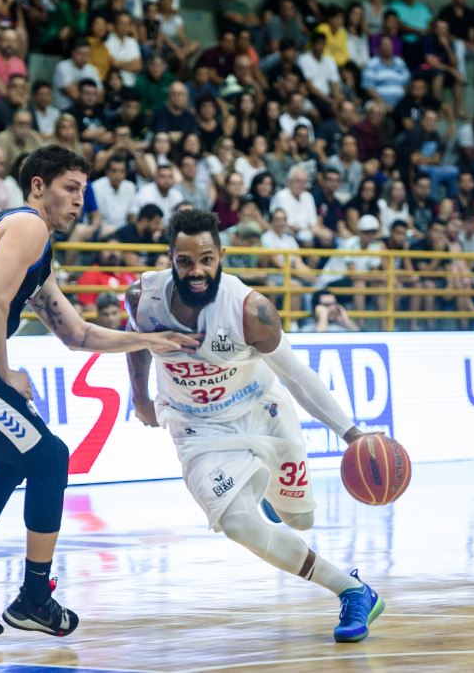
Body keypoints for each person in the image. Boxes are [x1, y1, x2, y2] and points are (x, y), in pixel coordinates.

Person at [0, 145, 196, 639]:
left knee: (22, 457)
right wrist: (7, 372)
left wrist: (148, 339)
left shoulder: (34, 250)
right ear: (38, 186)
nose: (80, 200)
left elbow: (76, 333)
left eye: (84, 190)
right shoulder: (27, 226)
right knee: (51, 458)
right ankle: (34, 597)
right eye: (70, 188)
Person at [125, 208, 384, 643]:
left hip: (261, 411)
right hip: (197, 429)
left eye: (206, 259)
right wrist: (140, 396)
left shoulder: (251, 310)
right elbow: (136, 344)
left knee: (299, 520)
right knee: (237, 522)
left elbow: (297, 375)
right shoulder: (141, 297)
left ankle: (268, 488)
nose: (197, 271)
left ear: (221, 255)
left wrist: (351, 433)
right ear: (170, 257)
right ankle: (353, 590)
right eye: (185, 261)